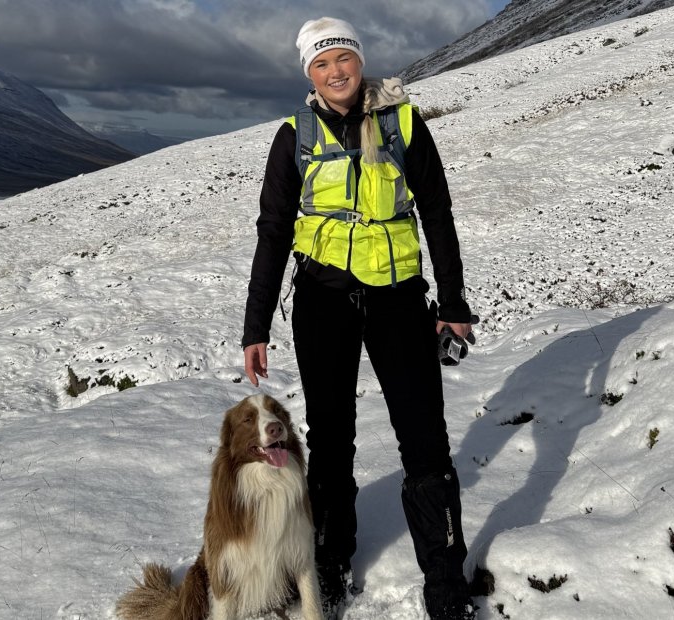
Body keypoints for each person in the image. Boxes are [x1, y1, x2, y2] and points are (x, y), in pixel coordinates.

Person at [242, 16, 475, 620]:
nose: (335, 71)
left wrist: (452, 305)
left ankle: (446, 587)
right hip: (321, 302)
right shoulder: (294, 136)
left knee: (425, 441)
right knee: (331, 438)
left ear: (359, 61)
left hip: (398, 299)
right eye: (321, 63)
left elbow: (439, 214)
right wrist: (256, 326)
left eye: (342, 58)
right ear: (309, 75)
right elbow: (272, 233)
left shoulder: (402, 123)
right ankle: (331, 564)